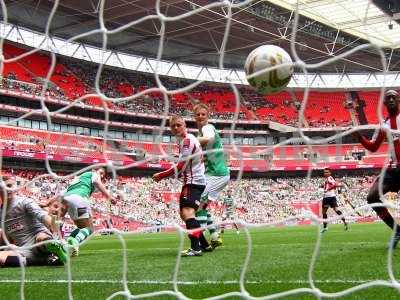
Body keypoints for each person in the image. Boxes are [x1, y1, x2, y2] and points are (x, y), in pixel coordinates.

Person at [153, 116, 211, 256]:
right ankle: (204, 244)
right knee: (185, 214)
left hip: (193, 182)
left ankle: (196, 248)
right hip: (195, 181)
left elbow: (180, 166)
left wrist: (161, 175)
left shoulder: (187, 141)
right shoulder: (186, 140)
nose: (176, 128)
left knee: (187, 213)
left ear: (184, 125)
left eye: (179, 125)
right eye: (173, 126)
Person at [353, 89, 400, 248]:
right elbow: (373, 147)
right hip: (393, 170)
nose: (392, 99)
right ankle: (396, 231)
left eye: (394, 97)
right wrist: (359, 137)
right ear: (385, 103)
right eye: (389, 98)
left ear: (398, 100)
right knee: (372, 197)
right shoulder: (384, 124)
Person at [0, 174, 67, 267]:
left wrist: (54, 229)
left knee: (41, 237)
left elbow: (43, 217)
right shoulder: (1, 213)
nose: (9, 189)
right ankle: (43, 260)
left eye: (10, 186)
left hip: (38, 240)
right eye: (5, 186)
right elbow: (6, 237)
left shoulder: (25, 202)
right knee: (1, 259)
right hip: (23, 249)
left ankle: (54, 247)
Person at [49, 167, 118, 256]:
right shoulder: (93, 174)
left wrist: (47, 203)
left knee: (81, 228)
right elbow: (97, 182)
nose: (101, 176)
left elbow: (61, 193)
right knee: (90, 229)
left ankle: (69, 243)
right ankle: (75, 241)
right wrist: (109, 196)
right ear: (94, 170)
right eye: (101, 173)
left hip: (69, 201)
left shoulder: (78, 180)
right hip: (80, 200)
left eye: (102, 175)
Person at [193, 103, 230, 248]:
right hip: (215, 174)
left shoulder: (207, 128)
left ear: (207, 116)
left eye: (203, 114)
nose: (201, 116)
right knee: (202, 206)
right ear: (194, 117)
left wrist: (190, 142)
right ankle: (214, 236)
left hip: (216, 174)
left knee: (198, 206)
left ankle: (200, 243)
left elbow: (208, 138)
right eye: (198, 114)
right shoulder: (199, 135)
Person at [320, 168, 348, 233]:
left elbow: (334, 185)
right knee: (325, 212)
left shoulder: (330, 178)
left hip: (329, 197)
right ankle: (344, 222)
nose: (325, 173)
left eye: (327, 172)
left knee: (332, 211)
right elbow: (334, 185)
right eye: (325, 172)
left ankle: (325, 227)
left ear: (330, 173)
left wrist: (328, 189)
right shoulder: (327, 179)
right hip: (328, 197)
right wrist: (324, 187)